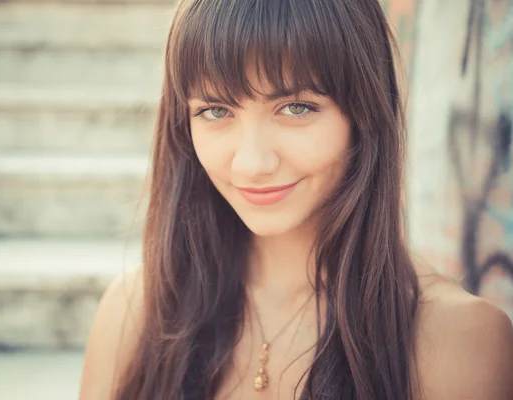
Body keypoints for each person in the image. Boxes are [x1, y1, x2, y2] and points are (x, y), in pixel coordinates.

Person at [79, 0, 513, 399]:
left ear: (363, 114)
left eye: (296, 108)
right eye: (216, 110)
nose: (252, 162)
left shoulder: (458, 338)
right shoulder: (134, 312)